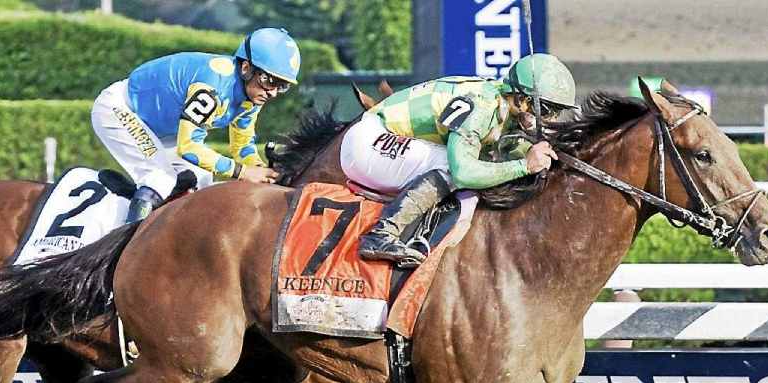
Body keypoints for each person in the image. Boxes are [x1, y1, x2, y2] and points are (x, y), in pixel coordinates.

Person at [342, 53, 578, 267]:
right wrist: (524, 165)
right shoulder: (482, 106)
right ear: (521, 99)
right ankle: (381, 235)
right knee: (453, 164)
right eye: (547, 110)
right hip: (367, 142)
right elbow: (463, 172)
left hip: (384, 140)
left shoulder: (502, 102)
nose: (550, 118)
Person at [91, 27, 300, 221]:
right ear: (246, 68)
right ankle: (122, 251)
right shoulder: (212, 86)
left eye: (282, 86)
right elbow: (189, 147)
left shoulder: (253, 94)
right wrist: (243, 172)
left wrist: (261, 171)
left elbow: (242, 146)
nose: (272, 92)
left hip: (160, 129)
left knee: (201, 180)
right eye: (269, 81)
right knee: (159, 178)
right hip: (121, 109)